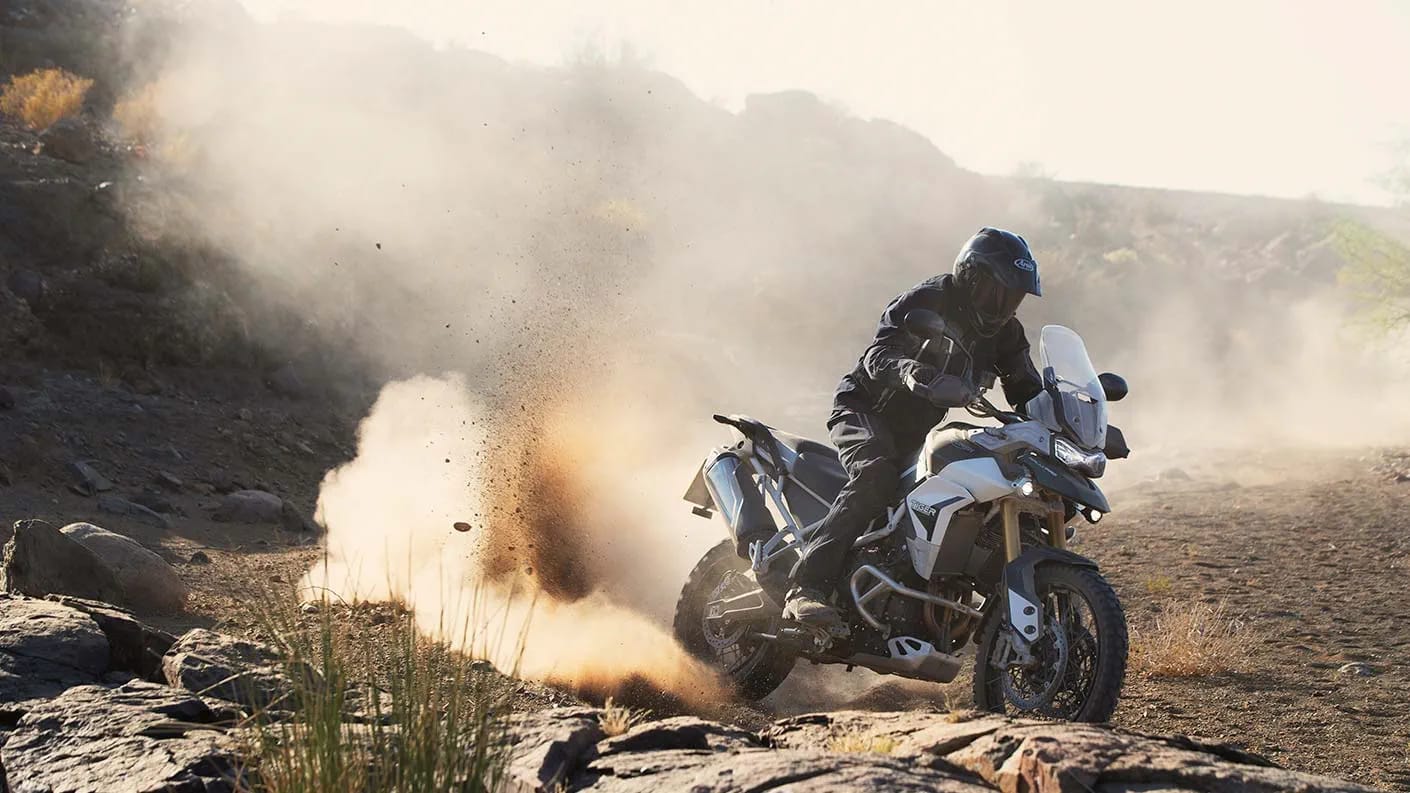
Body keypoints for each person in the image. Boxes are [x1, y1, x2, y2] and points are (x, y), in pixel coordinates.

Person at [783, 227, 1045, 628]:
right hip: (866, 410)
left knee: (962, 490)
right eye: (998, 293)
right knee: (875, 475)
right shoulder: (930, 300)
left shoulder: (1006, 333)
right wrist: (912, 373)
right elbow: (879, 354)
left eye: (1014, 298)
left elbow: (1026, 387)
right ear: (971, 278)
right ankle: (805, 589)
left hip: (917, 433)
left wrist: (1061, 419)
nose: (1005, 306)